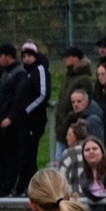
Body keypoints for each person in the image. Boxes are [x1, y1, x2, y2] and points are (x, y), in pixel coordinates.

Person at [5, 42, 50, 198]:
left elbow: (42, 95)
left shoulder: (40, 70)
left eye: (29, 55)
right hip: (23, 122)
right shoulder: (26, 73)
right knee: (25, 155)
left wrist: (26, 110)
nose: (26, 59)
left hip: (33, 122)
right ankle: (29, 187)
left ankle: (23, 188)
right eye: (24, 56)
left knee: (28, 155)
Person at [53, 46, 92, 160]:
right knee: (59, 160)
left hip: (73, 130)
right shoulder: (67, 77)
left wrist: (68, 119)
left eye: (66, 57)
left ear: (75, 58)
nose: (64, 59)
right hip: (62, 130)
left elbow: (82, 106)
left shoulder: (84, 79)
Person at [0, 43, 27, 196]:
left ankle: (8, 187)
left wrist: (10, 117)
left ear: (7, 56)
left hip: (11, 124)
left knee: (11, 157)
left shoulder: (19, 73)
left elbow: (19, 98)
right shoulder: (6, 73)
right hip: (3, 120)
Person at [57, 119, 89, 196]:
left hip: (73, 196)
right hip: (90, 196)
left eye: (69, 135)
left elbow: (61, 177)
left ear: (76, 137)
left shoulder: (69, 153)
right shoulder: (91, 151)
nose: (66, 137)